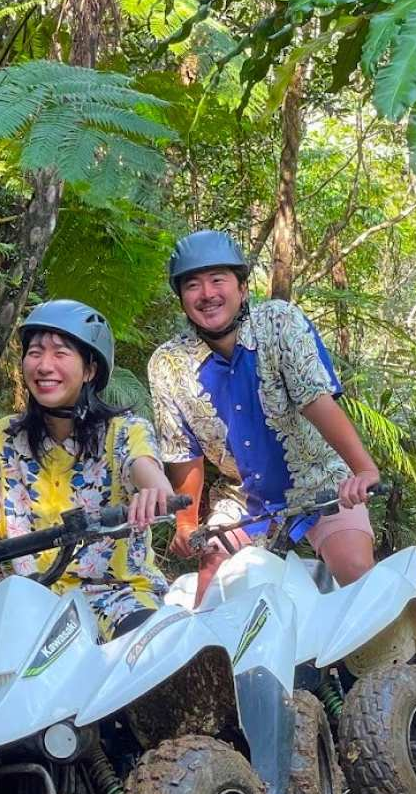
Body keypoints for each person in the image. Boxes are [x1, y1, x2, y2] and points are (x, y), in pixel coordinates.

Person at [0, 299, 176, 640]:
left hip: (119, 597)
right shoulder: (6, 438)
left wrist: (155, 492)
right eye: (35, 352)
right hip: (34, 607)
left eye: (61, 353)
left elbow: (145, 469)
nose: (44, 365)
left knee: (151, 661)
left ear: (90, 370)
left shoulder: (125, 431)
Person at [147, 230, 381, 594]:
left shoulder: (278, 322)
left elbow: (316, 400)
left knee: (355, 569)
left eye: (218, 280)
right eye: (193, 285)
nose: (207, 294)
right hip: (245, 498)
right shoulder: (168, 363)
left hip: (319, 479)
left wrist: (363, 470)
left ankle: (395, 647)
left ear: (242, 288)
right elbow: (183, 454)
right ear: (181, 299)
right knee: (210, 588)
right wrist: (186, 524)